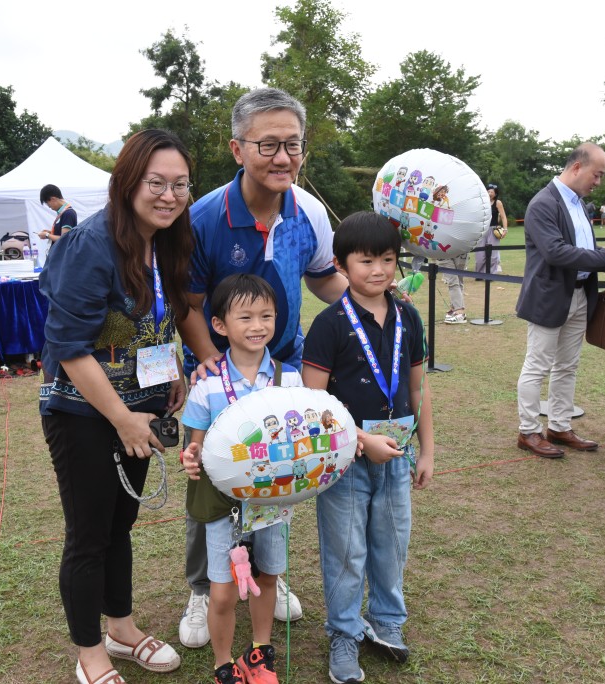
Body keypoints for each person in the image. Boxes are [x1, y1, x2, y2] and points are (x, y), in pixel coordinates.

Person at [176, 87, 349, 647]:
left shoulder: (310, 211)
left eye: (293, 145)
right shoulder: (203, 218)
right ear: (237, 148)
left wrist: (366, 304)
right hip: (216, 377)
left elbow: (322, 275)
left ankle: (267, 580)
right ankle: (205, 589)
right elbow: (189, 303)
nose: (282, 158)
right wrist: (209, 363)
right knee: (212, 483)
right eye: (268, 144)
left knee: (278, 470)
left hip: (283, 374)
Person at [38, 129, 192, 684]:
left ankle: (122, 631)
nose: (169, 195)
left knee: (121, 522)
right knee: (89, 532)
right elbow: (68, 346)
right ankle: (90, 653)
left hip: (142, 407)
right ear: (127, 182)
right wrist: (122, 417)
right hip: (83, 411)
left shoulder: (168, 239)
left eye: (179, 184)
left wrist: (172, 370)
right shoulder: (91, 242)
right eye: (156, 182)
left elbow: (160, 314)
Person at [302, 211, 435, 684]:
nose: (378, 270)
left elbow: (417, 390)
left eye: (388, 259)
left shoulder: (410, 317)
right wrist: (361, 440)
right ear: (341, 265)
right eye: (366, 261)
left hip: (397, 456)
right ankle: (343, 634)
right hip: (344, 462)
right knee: (346, 552)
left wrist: (428, 450)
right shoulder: (329, 324)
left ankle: (387, 623)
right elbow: (314, 405)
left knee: (391, 545)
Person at [180, 273, 301, 684]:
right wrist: (191, 457)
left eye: (266, 316)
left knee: (268, 575)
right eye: (245, 317)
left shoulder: (290, 379)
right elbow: (195, 444)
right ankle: (223, 663)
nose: (257, 326)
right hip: (221, 504)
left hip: (272, 501)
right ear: (219, 325)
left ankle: (259, 652)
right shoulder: (207, 384)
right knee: (222, 589)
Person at [515, 143, 605, 458]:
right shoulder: (543, 203)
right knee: (537, 365)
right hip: (550, 297)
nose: (598, 182)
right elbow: (556, 252)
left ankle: (559, 426)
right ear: (577, 167)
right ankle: (528, 431)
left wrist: (602, 260)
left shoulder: (581, 204)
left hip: (580, 294)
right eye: (597, 174)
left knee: (567, 365)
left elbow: (579, 246)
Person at [473, 183, 508, 277]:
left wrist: (505, 229)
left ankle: (492, 274)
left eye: (491, 192)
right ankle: (479, 274)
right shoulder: (481, 202)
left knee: (493, 254)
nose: (489, 193)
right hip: (482, 229)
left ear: (495, 194)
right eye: (488, 191)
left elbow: (504, 217)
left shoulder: (498, 203)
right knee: (480, 254)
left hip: (493, 230)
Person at [440, 251, 469, 323]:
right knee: (456, 281)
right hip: (450, 249)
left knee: (456, 281)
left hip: (451, 248)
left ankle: (459, 311)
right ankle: (456, 309)